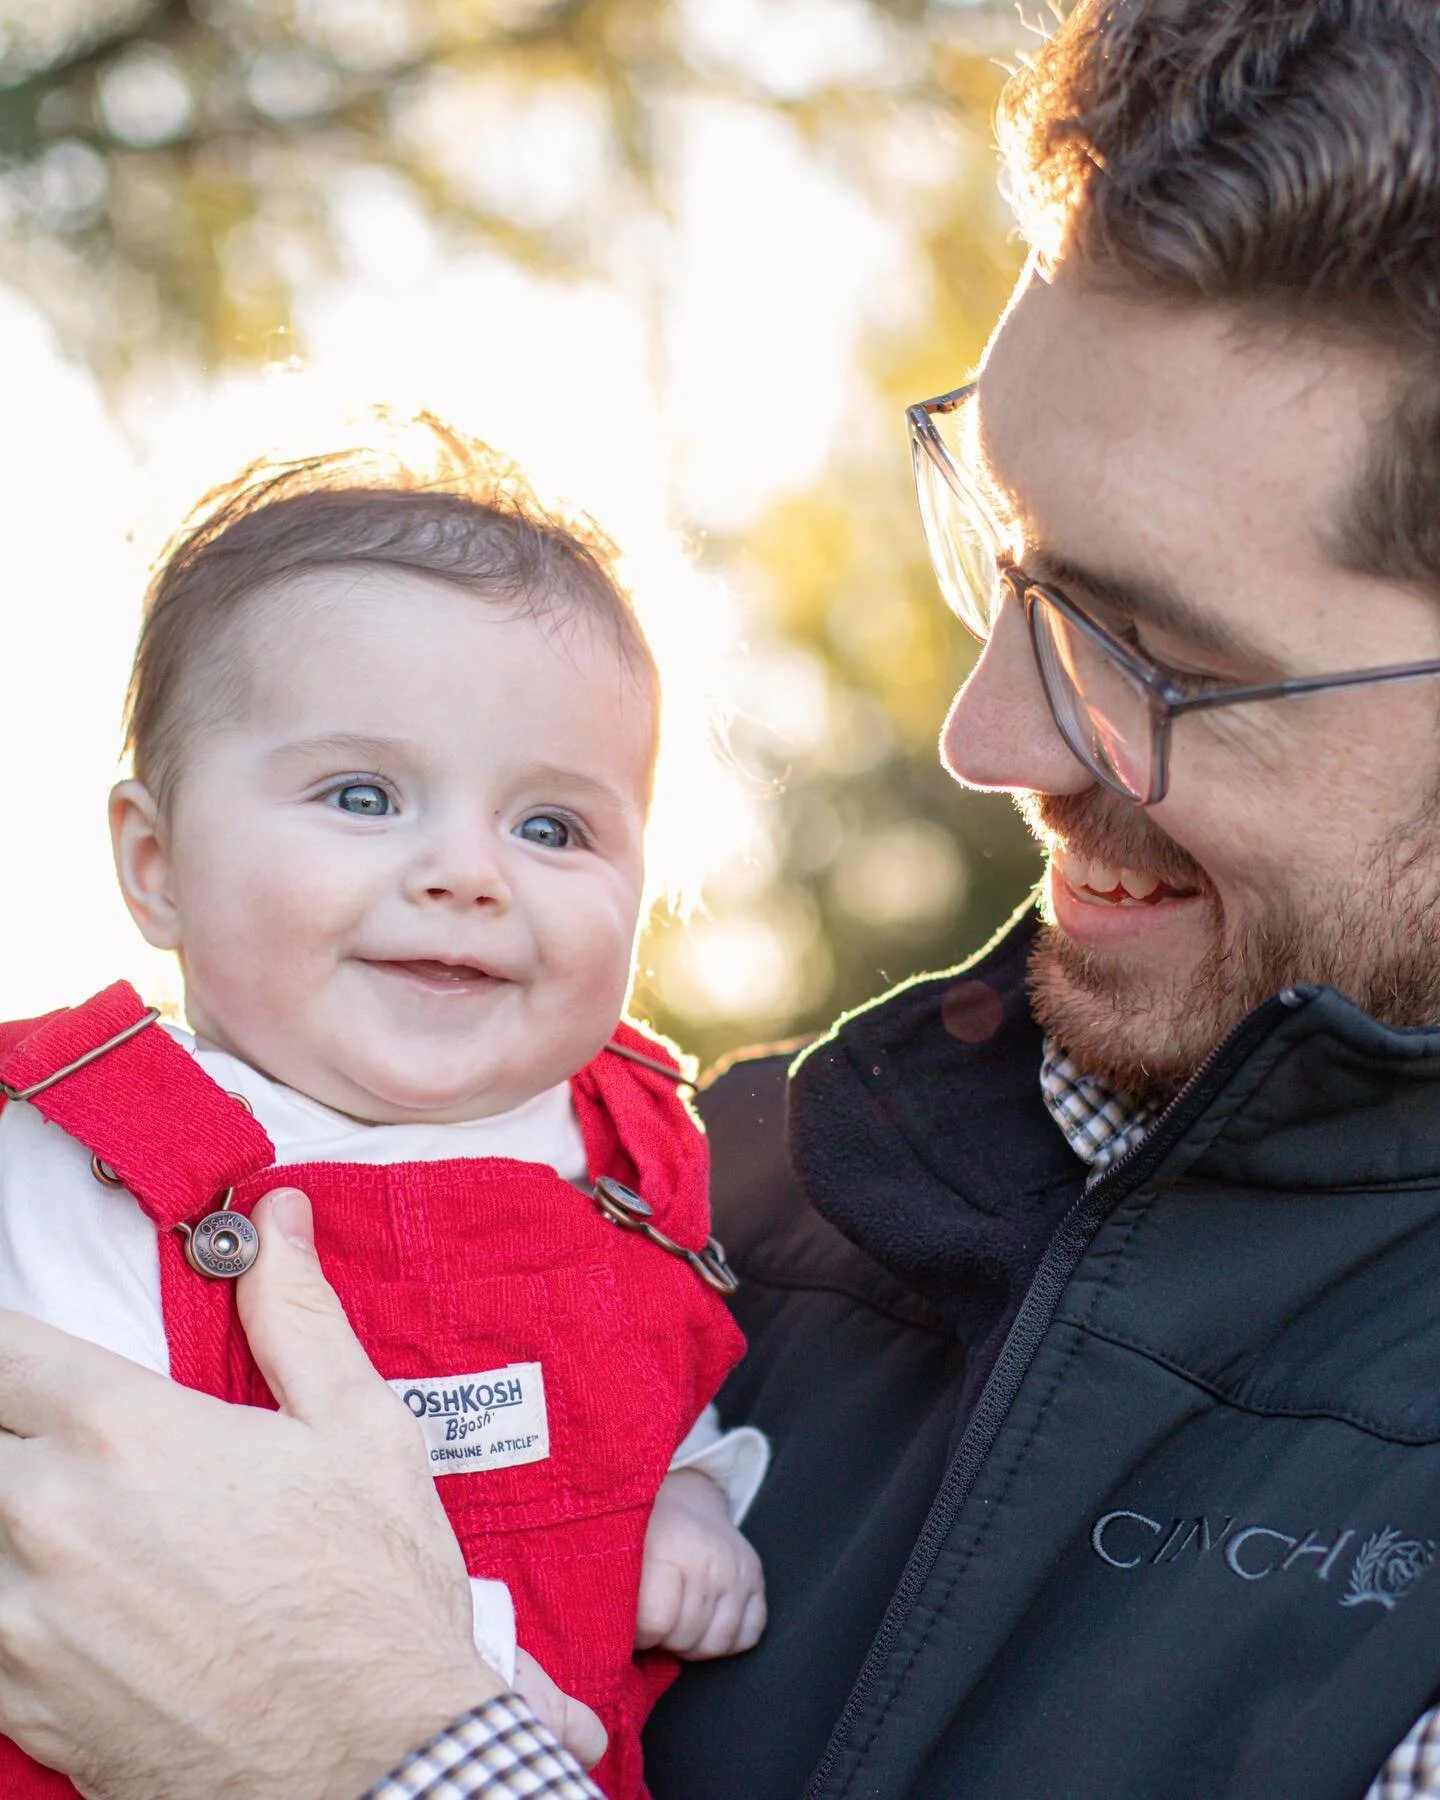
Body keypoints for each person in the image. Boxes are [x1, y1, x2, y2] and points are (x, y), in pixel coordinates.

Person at [4, 0, 1440, 1795]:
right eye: (1005, 568)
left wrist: (367, 1755)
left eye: (1151, 653)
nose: (981, 735)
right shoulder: (739, 1189)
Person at [0, 421, 768, 1799]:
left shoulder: (635, 1155)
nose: (469, 871)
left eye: (554, 828)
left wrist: (693, 1502)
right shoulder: (85, 1161)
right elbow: (100, 1520)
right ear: (156, 861)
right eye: (364, 795)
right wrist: (451, 1691)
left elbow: (678, 1387)